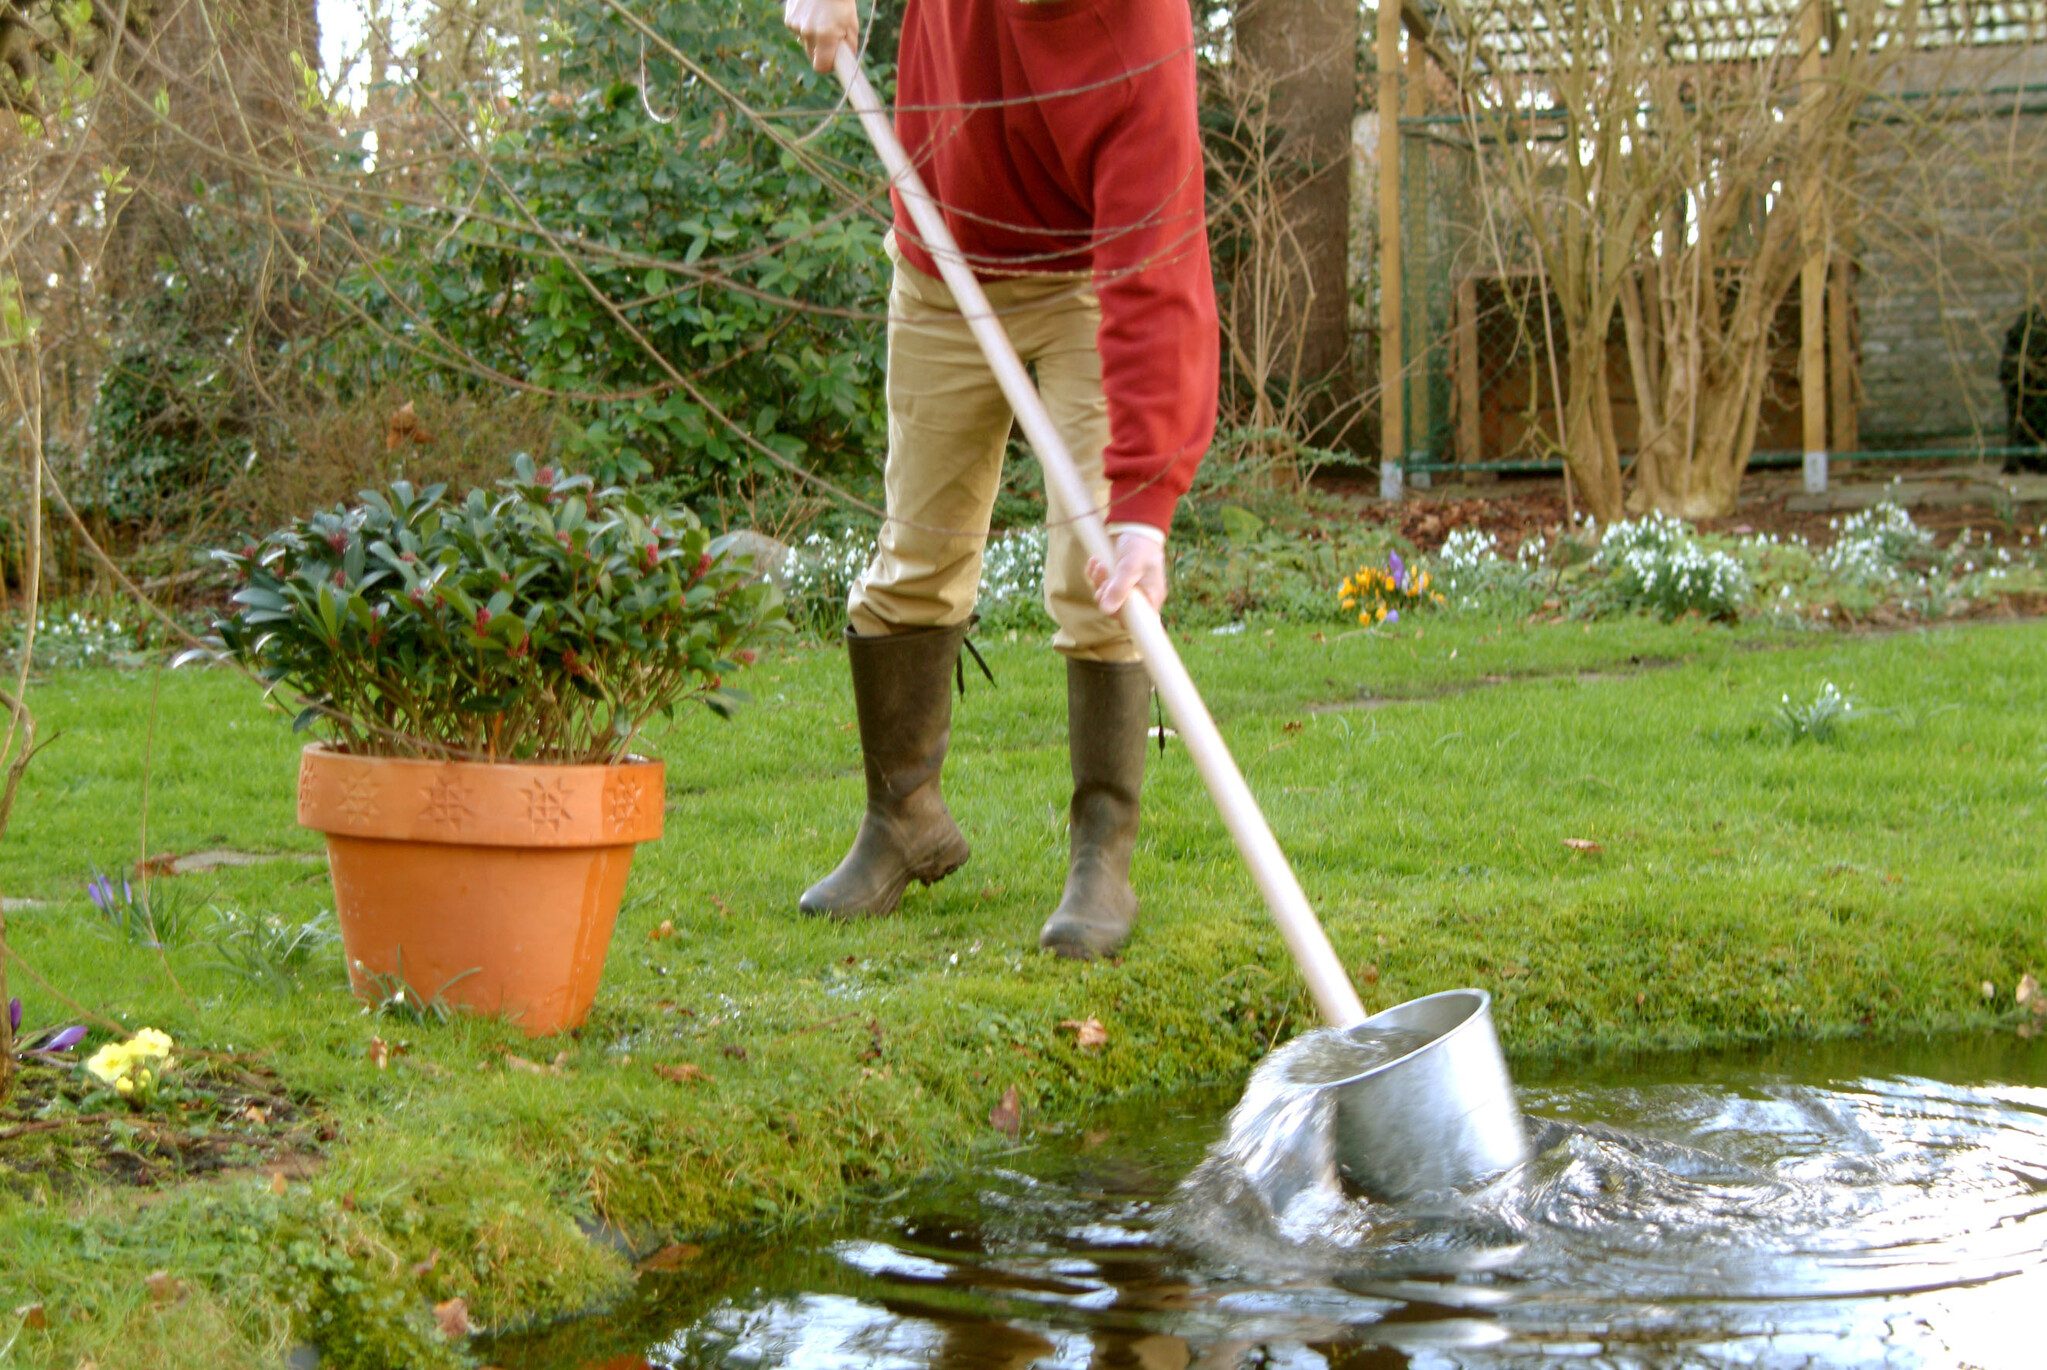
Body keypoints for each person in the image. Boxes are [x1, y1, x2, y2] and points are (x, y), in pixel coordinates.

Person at [781, 0, 1219, 958]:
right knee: (916, 558)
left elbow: (1157, 266)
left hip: (1077, 286)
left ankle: (1100, 856)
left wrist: (1145, 508)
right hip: (939, 257)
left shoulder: (1139, 33)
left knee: (1098, 576)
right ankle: (902, 820)